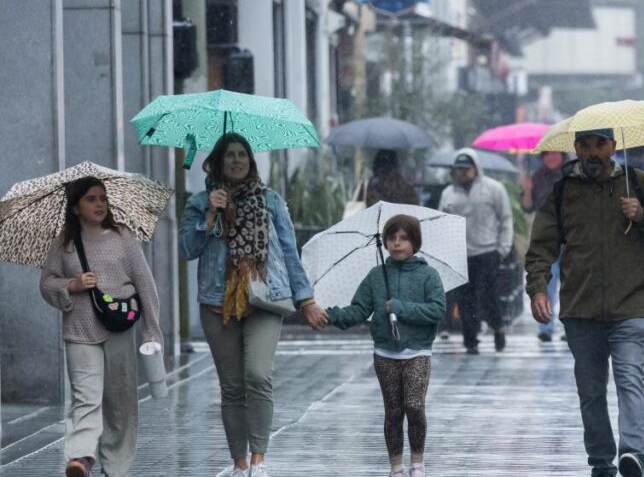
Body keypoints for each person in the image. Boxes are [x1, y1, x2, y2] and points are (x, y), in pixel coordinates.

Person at [526, 128, 644, 477]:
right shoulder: (563, 191)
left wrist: (643, 215)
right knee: (591, 392)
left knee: (629, 379)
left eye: (600, 145)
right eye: (585, 145)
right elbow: (541, 248)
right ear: (576, 148)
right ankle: (600, 460)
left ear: (613, 147)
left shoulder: (636, 182)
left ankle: (634, 454)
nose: (592, 152)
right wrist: (537, 288)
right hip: (581, 308)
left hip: (632, 304)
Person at [179, 133, 328, 477]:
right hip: (217, 302)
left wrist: (306, 299)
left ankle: (259, 460)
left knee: (257, 375)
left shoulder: (270, 200)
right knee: (231, 386)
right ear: (216, 162)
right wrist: (211, 217)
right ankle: (239, 463)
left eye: (241, 155)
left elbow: (290, 252)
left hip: (264, 297)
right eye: (228, 155)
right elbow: (187, 250)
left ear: (250, 161)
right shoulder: (201, 202)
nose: (235, 161)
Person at [40, 177, 163, 477]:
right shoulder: (64, 244)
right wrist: (73, 284)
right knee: (86, 396)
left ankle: (116, 466)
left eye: (102, 198)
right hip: (79, 331)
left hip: (119, 328)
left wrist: (152, 330)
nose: (99, 204)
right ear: (75, 207)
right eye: (91, 199)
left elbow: (146, 285)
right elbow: (46, 284)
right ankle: (81, 457)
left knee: (120, 400)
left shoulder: (123, 237)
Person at [324, 215, 445, 477]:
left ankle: (417, 462)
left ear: (415, 242)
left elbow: (437, 310)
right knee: (393, 411)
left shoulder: (429, 275)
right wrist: (330, 316)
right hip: (385, 353)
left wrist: (401, 308)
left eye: (403, 238)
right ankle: (396, 467)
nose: (397, 244)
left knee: (414, 406)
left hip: (418, 351)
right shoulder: (376, 276)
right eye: (392, 238)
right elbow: (358, 309)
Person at [439, 148, 514, 354]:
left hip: (488, 251)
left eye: (466, 169)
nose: (462, 173)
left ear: (476, 168)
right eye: (459, 169)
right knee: (465, 299)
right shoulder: (448, 194)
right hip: (461, 254)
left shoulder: (494, 189)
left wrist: (503, 248)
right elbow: (442, 223)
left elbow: (505, 218)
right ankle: (470, 340)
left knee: (489, 295)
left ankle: (497, 328)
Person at [522, 150, 567, 342]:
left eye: (555, 154)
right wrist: (527, 190)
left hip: (571, 239)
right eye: (547, 154)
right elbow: (527, 207)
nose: (551, 157)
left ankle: (569, 327)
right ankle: (546, 326)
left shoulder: (572, 174)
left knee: (571, 285)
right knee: (547, 283)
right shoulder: (537, 176)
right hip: (547, 240)